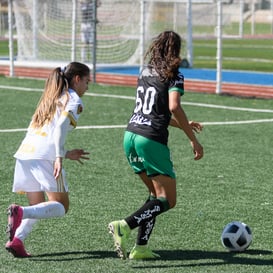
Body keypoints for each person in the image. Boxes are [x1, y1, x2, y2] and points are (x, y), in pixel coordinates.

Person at [108, 31, 204, 260]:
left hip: (131, 135)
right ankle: (124, 225)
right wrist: (193, 139)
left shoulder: (145, 71)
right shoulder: (174, 75)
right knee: (168, 200)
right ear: (176, 51)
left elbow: (153, 111)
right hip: (150, 140)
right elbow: (174, 107)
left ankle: (140, 248)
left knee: (154, 194)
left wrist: (183, 126)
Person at [5, 62, 91, 258]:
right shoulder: (74, 99)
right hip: (45, 157)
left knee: (38, 206)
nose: (87, 86)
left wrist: (66, 153)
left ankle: (16, 240)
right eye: (87, 81)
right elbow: (60, 127)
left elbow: (43, 132)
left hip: (25, 154)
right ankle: (19, 212)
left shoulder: (49, 98)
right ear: (77, 79)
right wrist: (59, 157)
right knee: (61, 207)